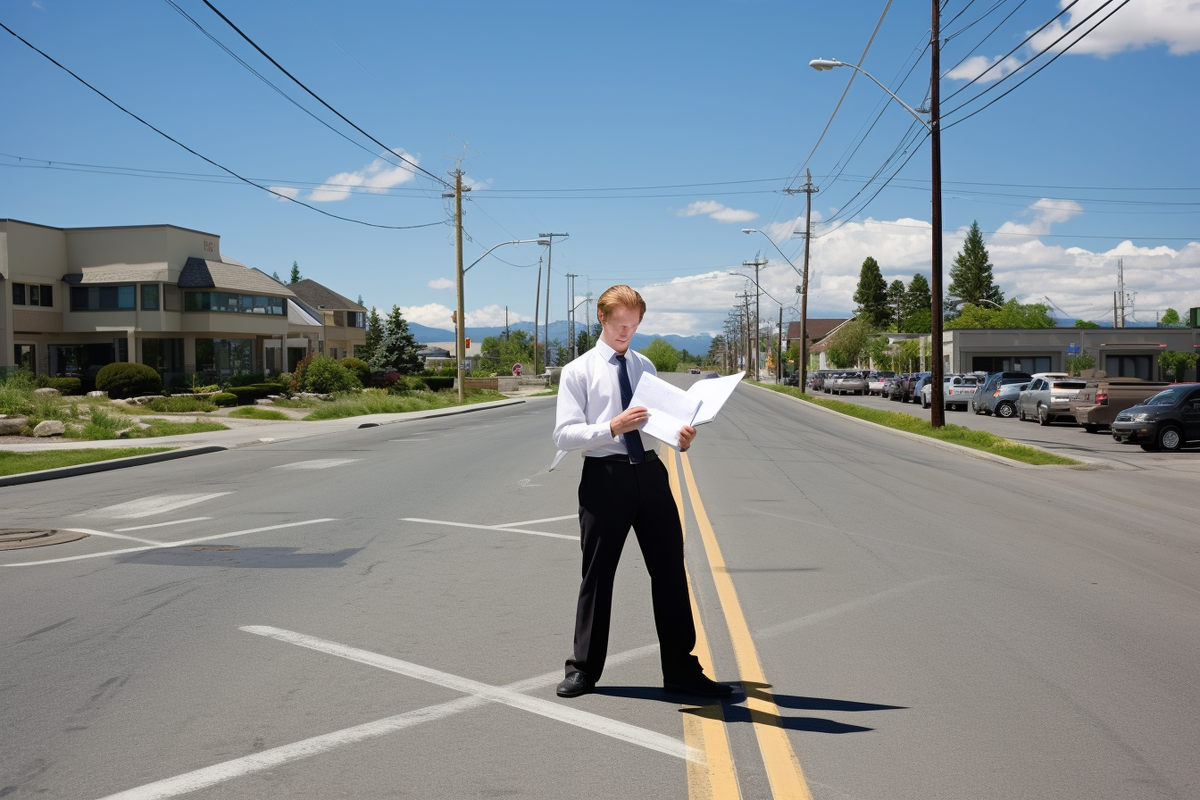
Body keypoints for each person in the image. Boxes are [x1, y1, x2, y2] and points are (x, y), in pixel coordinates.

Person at [552, 284, 733, 699]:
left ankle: (682, 670)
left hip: (651, 474)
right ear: (602, 319)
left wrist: (681, 438)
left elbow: (660, 426)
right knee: (597, 577)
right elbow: (563, 435)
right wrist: (612, 426)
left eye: (633, 326)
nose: (625, 332)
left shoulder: (645, 365)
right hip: (604, 477)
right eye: (619, 324)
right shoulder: (578, 371)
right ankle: (583, 669)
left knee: (670, 572)